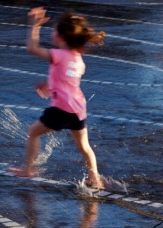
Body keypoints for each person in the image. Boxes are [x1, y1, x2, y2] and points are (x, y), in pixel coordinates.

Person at [9, 7, 105, 188]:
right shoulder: (78, 59)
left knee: (33, 132)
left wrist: (34, 26)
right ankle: (96, 178)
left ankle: (27, 169)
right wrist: (48, 85)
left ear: (61, 37)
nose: (52, 33)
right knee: (84, 146)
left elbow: (32, 48)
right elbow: (66, 79)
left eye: (54, 30)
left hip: (61, 108)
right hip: (78, 109)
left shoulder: (58, 55)